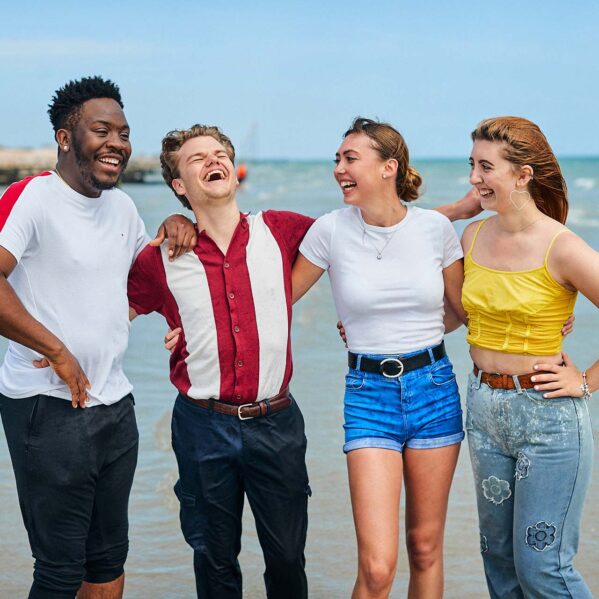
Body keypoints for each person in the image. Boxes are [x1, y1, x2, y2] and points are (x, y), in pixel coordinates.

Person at [133, 122, 481, 599]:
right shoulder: (173, 253)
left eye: (218, 154)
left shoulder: (291, 230)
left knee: (313, 558)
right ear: (178, 185)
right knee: (225, 559)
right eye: (196, 159)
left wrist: (539, 321)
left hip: (344, 406)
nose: (338, 169)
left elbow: (401, 241)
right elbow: (122, 315)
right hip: (238, 417)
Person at [0, 76, 194, 599]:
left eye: (124, 133)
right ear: (66, 138)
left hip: (114, 404)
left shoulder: (123, 208)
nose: (118, 144)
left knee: (107, 563)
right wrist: (55, 349)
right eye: (101, 130)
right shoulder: (33, 199)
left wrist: (177, 220)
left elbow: (139, 285)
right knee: (59, 570)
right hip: (46, 410)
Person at [292, 117, 468, 599]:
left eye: (350, 159)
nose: (338, 169)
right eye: (337, 160)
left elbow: (464, 313)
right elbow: (272, 301)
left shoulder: (435, 230)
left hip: (433, 387)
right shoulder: (329, 231)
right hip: (369, 396)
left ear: (389, 167)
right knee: (376, 566)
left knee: (426, 548)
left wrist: (547, 322)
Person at [462, 116, 595, 598]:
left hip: (548, 420)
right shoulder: (471, 237)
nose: (475, 178)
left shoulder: (562, 246)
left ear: (523, 174)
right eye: (472, 165)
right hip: (482, 409)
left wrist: (587, 381)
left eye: (486, 167)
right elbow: (452, 312)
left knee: (543, 568)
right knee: (498, 561)